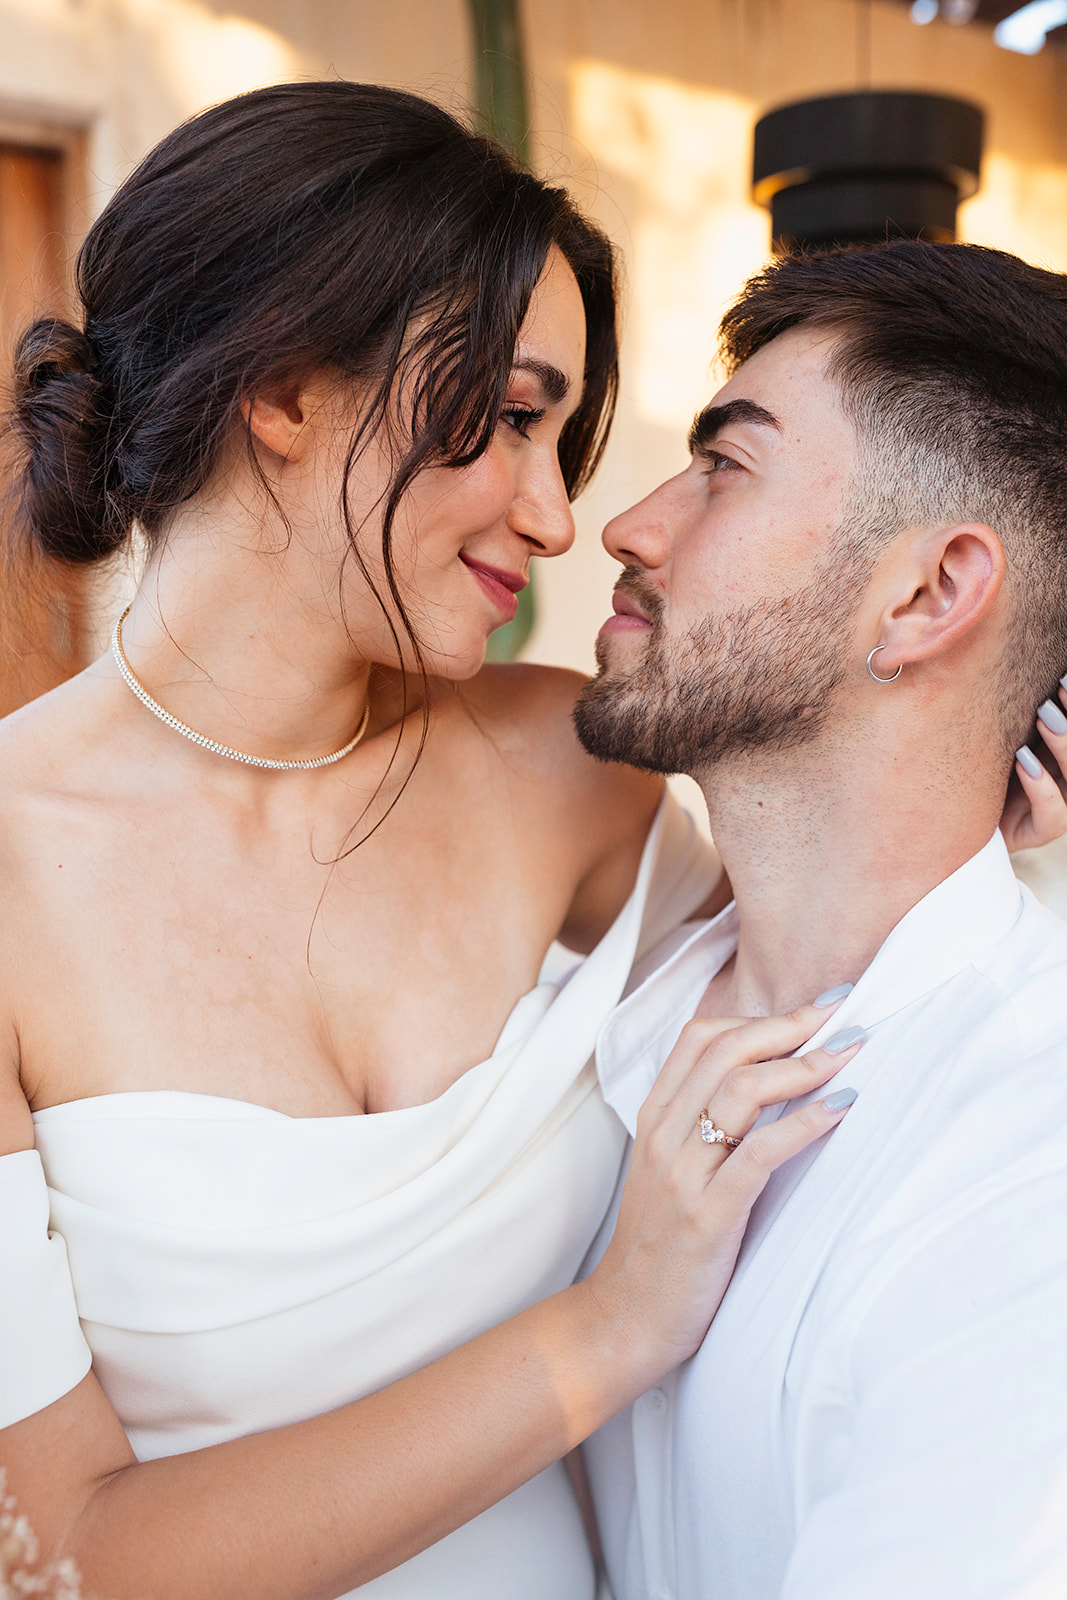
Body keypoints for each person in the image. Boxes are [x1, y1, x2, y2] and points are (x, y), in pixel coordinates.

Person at [0, 78, 883, 1600]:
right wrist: (611, 1326)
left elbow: (858, 992)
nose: (557, 517)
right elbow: (64, 1551)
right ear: (282, 393)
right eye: (517, 420)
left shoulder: (575, 768)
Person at [575, 238, 1067, 1600]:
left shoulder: (1032, 1178)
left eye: (724, 465)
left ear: (924, 597)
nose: (627, 526)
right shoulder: (609, 993)